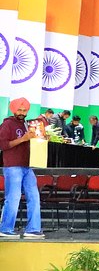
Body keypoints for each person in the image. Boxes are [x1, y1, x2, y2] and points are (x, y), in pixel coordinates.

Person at [0, 97, 44, 239]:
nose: (22, 112)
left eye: (24, 110)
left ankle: (33, 229)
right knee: (13, 198)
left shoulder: (27, 124)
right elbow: (3, 145)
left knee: (34, 196)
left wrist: (41, 138)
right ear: (13, 110)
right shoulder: (7, 124)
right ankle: (5, 229)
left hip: (27, 166)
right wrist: (23, 139)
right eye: (19, 110)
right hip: (13, 165)